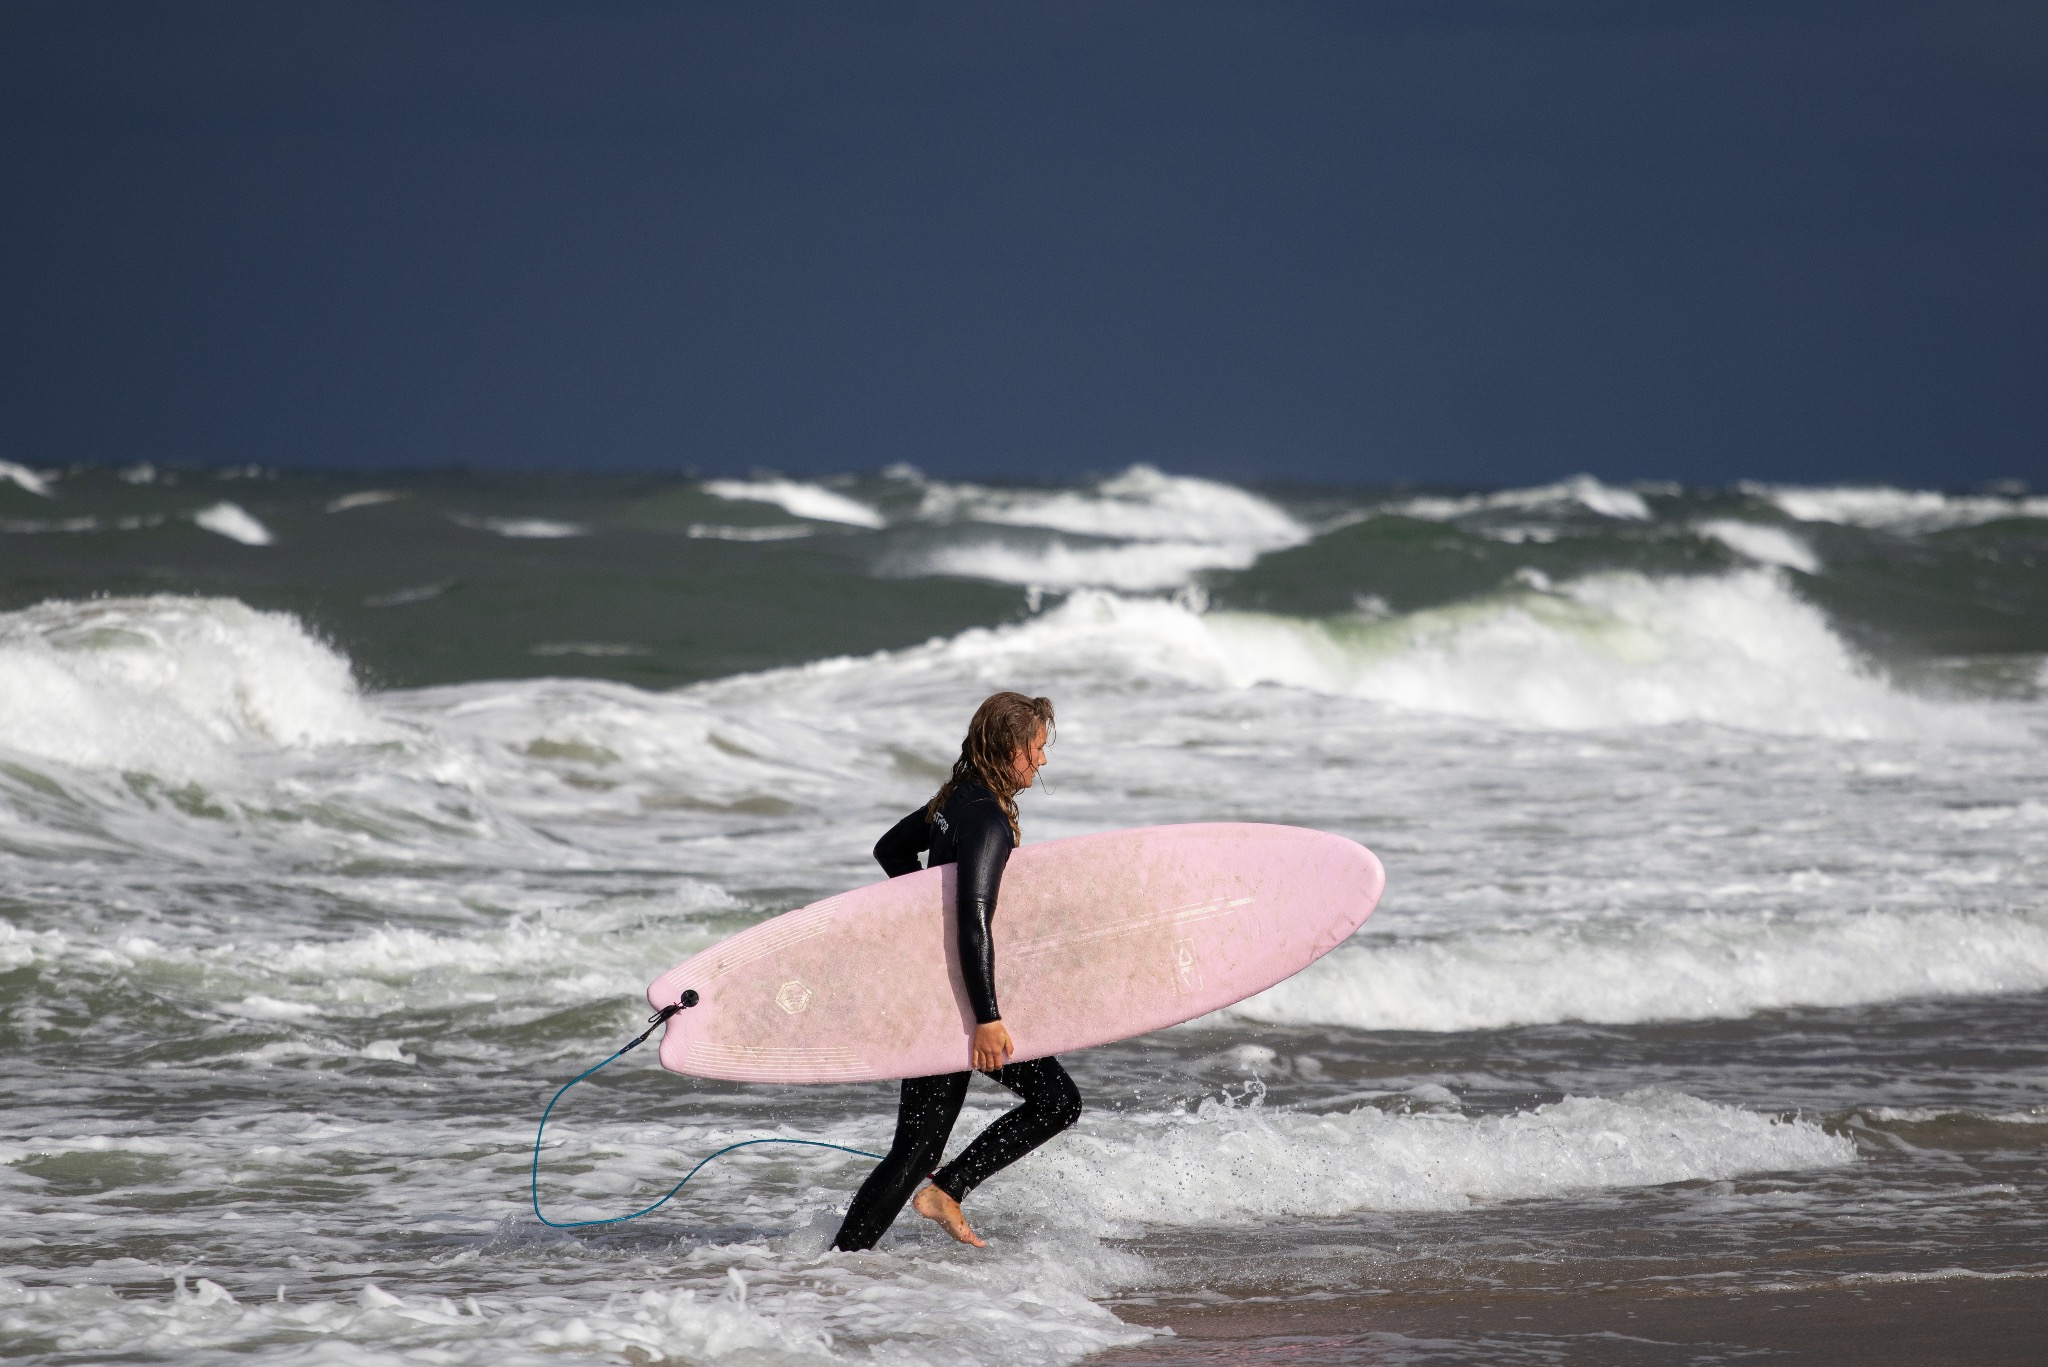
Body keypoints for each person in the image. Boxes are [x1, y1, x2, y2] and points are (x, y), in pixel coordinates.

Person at [830, 691, 1081, 1251]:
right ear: (1011, 748)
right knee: (1057, 1102)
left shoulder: (958, 797)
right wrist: (987, 1018)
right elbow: (975, 920)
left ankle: (840, 1263)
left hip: (941, 987)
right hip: (962, 1002)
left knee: (917, 1146)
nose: (1042, 760)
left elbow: (891, 850)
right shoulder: (988, 821)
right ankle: (938, 1196)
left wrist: (927, 921)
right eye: (1037, 748)